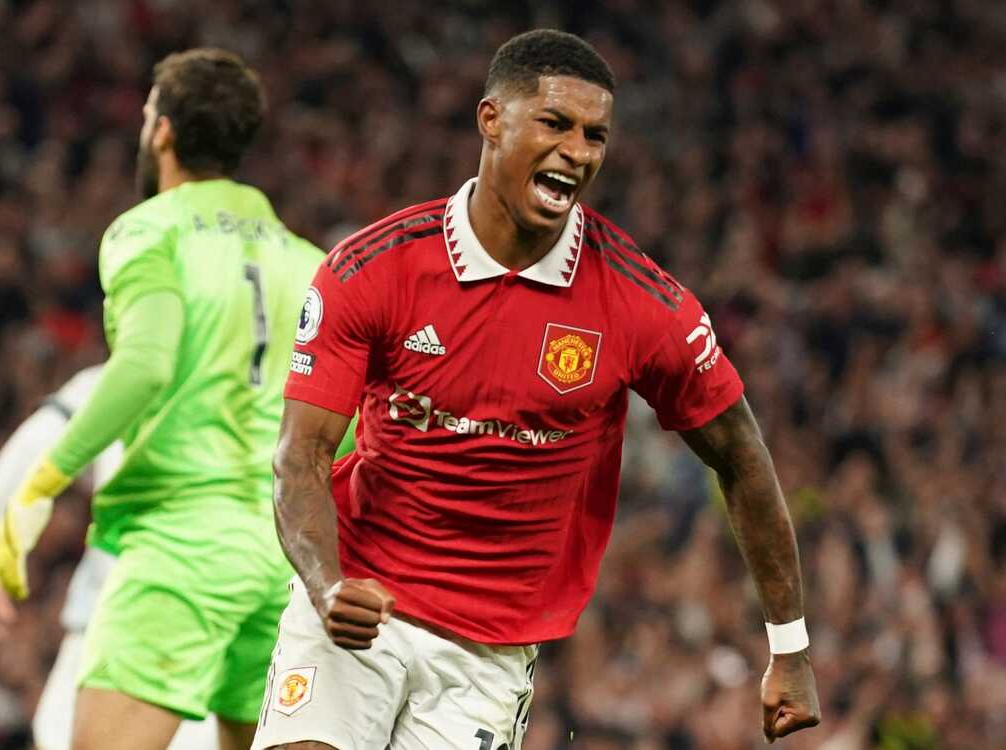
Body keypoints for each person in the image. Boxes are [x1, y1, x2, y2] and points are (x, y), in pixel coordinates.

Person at [256, 29, 821, 750]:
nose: (578, 152)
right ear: (491, 120)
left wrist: (790, 646)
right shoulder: (373, 269)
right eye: (556, 124)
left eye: (595, 135)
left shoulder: (640, 303)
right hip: (359, 607)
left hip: (488, 651)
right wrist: (326, 583)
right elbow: (300, 456)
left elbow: (741, 454)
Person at [0, 49, 327, 750]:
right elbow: (340, 421)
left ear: (163, 130)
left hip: (181, 546)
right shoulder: (311, 262)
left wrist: (43, 483)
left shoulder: (149, 230)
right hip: (283, 556)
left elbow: (144, 365)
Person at [0, 365, 218, 750]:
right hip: (203, 622)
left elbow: (37, 441)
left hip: (144, 620)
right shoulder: (271, 379)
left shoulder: (141, 363)